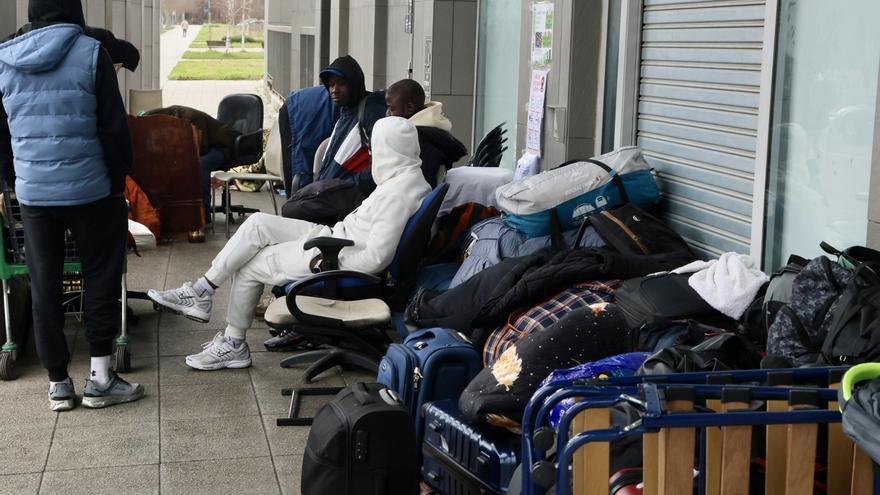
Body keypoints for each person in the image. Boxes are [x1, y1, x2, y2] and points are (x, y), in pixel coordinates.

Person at [148, 117, 430, 370]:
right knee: (258, 223)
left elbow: (375, 258)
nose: (371, 155)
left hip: (334, 254)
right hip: (335, 239)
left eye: (375, 148)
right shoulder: (407, 180)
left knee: (249, 265)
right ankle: (202, 291)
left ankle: (233, 343)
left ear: (389, 149)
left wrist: (327, 261)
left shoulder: (398, 194)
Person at [0, 0, 144, 411]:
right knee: (100, 276)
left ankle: (58, 384)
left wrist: (14, 180)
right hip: (91, 192)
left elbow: (1, 132)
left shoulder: (4, 59)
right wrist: (117, 182)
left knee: (44, 284)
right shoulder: (91, 52)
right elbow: (113, 126)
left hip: (34, 196)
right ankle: (100, 379)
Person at [143, 105, 244, 212]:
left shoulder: (192, 118)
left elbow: (201, 148)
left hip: (225, 147)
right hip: (210, 147)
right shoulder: (169, 120)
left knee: (200, 164)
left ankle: (204, 212)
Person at [314, 55, 387, 196]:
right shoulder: (346, 112)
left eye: (341, 83)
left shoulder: (371, 112)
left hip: (347, 198)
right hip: (328, 194)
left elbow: (380, 165)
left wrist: (345, 187)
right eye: (331, 84)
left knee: (291, 210)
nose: (334, 89)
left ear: (354, 84)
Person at [385, 79, 467, 186]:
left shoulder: (418, 138)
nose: (387, 114)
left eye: (391, 109)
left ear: (409, 108)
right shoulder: (430, 131)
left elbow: (423, 180)